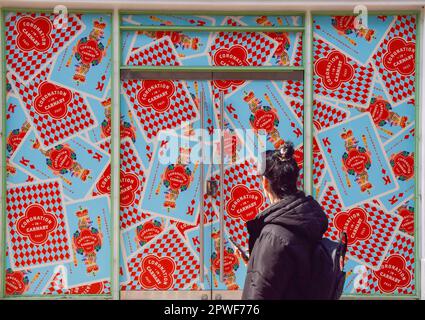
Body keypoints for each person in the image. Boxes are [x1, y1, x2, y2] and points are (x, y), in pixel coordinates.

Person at [242, 141, 329, 300]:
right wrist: (255, 263)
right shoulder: (306, 220)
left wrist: (258, 267)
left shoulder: (273, 236)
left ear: (265, 183)